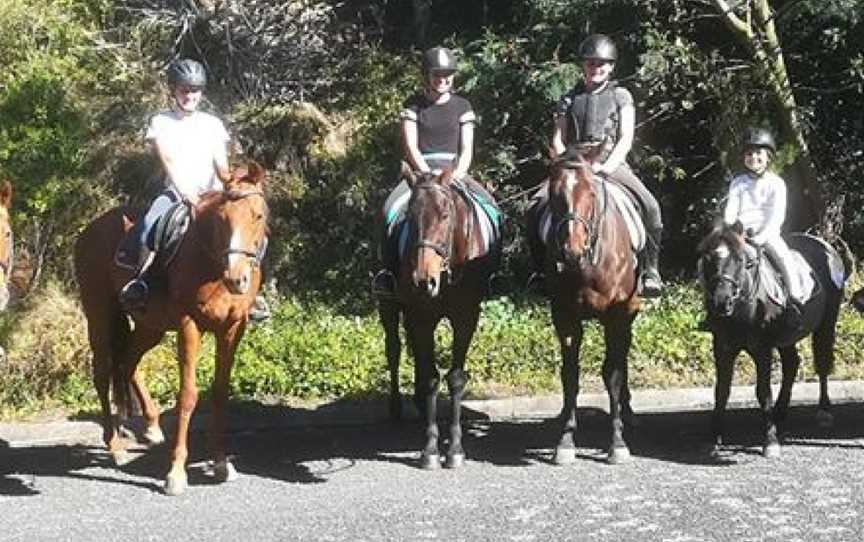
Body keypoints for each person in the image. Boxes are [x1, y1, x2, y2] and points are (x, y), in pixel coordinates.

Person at [118, 58, 270, 321]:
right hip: (176, 190)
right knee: (149, 227)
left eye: (194, 90)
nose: (189, 95)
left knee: (251, 230)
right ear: (173, 91)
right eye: (184, 90)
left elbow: (221, 166)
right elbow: (167, 161)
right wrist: (185, 190)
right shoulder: (161, 122)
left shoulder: (212, 124)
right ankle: (140, 282)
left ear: (201, 92)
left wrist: (233, 183)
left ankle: (253, 294)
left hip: (212, 193)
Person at [530, 33, 663, 297]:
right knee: (535, 206)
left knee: (650, 206)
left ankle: (651, 270)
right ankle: (540, 272)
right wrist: (562, 161)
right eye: (591, 63)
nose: (596, 68)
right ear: (583, 65)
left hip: (610, 163)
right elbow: (558, 137)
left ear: (611, 67)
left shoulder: (621, 96)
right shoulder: (569, 98)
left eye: (601, 64)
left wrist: (606, 166)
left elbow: (626, 137)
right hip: (573, 164)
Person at [372, 46, 496, 296]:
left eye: (447, 74)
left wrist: (458, 173)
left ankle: (492, 275)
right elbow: (410, 145)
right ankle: (387, 273)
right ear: (427, 76)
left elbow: (467, 148)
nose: (443, 79)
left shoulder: (463, 106)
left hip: (454, 171)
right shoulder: (413, 105)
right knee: (389, 210)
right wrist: (427, 175)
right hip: (421, 172)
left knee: (492, 210)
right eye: (437, 74)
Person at [722, 127, 803, 324]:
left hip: (768, 233)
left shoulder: (776, 183)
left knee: (784, 257)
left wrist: (760, 237)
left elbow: (776, 217)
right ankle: (714, 305)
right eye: (749, 154)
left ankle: (795, 300)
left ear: (768, 157)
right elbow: (730, 211)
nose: (754, 158)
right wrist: (732, 228)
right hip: (740, 234)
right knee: (716, 259)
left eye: (759, 153)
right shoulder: (738, 183)